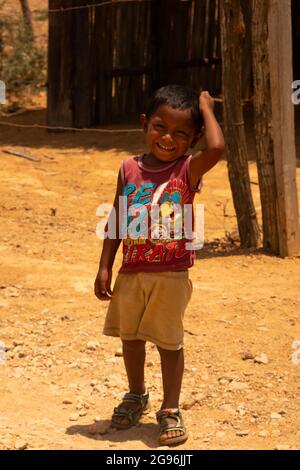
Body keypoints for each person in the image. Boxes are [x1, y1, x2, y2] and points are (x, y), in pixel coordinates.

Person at [94, 84, 224, 446]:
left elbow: (217, 148)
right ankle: (136, 394)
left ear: (193, 137)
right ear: (144, 125)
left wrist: (206, 107)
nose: (168, 138)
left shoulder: (187, 170)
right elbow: (118, 217)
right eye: (159, 127)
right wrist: (105, 265)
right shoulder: (128, 168)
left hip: (170, 274)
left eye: (181, 133)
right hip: (131, 272)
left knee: (169, 342)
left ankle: (169, 408)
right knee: (131, 337)